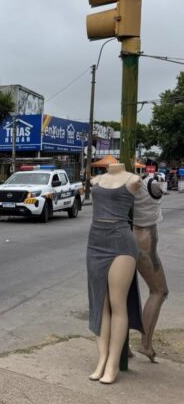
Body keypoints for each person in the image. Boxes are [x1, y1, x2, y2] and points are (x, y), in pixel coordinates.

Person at [86, 163, 143, 384]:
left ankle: (113, 364)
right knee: (100, 302)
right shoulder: (95, 180)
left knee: (118, 303)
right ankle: (101, 360)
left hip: (121, 241)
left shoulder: (133, 180)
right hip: (95, 242)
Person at [131, 172, 168, 363]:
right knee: (160, 291)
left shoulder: (129, 183)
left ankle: (122, 344)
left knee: (125, 294)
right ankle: (145, 344)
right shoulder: (153, 184)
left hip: (129, 234)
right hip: (145, 239)